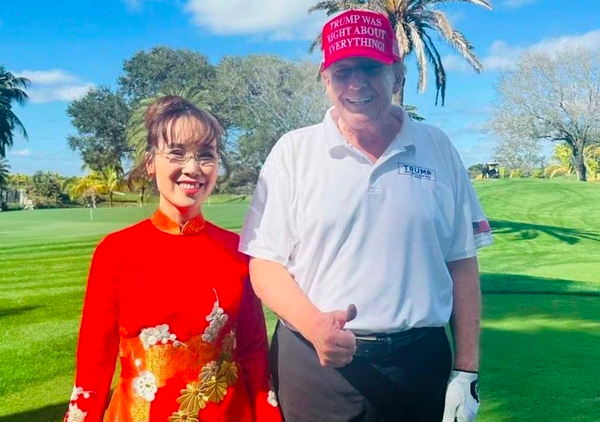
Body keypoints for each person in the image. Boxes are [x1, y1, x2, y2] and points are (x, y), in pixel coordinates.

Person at [240, 9, 493, 422]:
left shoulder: (437, 148)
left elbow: (462, 261)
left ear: (397, 76)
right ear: (326, 80)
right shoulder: (293, 152)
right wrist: (314, 325)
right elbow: (265, 264)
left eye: (371, 68)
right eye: (343, 72)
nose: (357, 83)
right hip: (314, 368)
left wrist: (467, 372)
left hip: (417, 367)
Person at [64, 96, 282, 422]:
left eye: (205, 155)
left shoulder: (238, 251)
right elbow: (93, 369)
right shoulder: (115, 252)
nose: (192, 168)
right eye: (177, 153)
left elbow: (254, 355)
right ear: (150, 163)